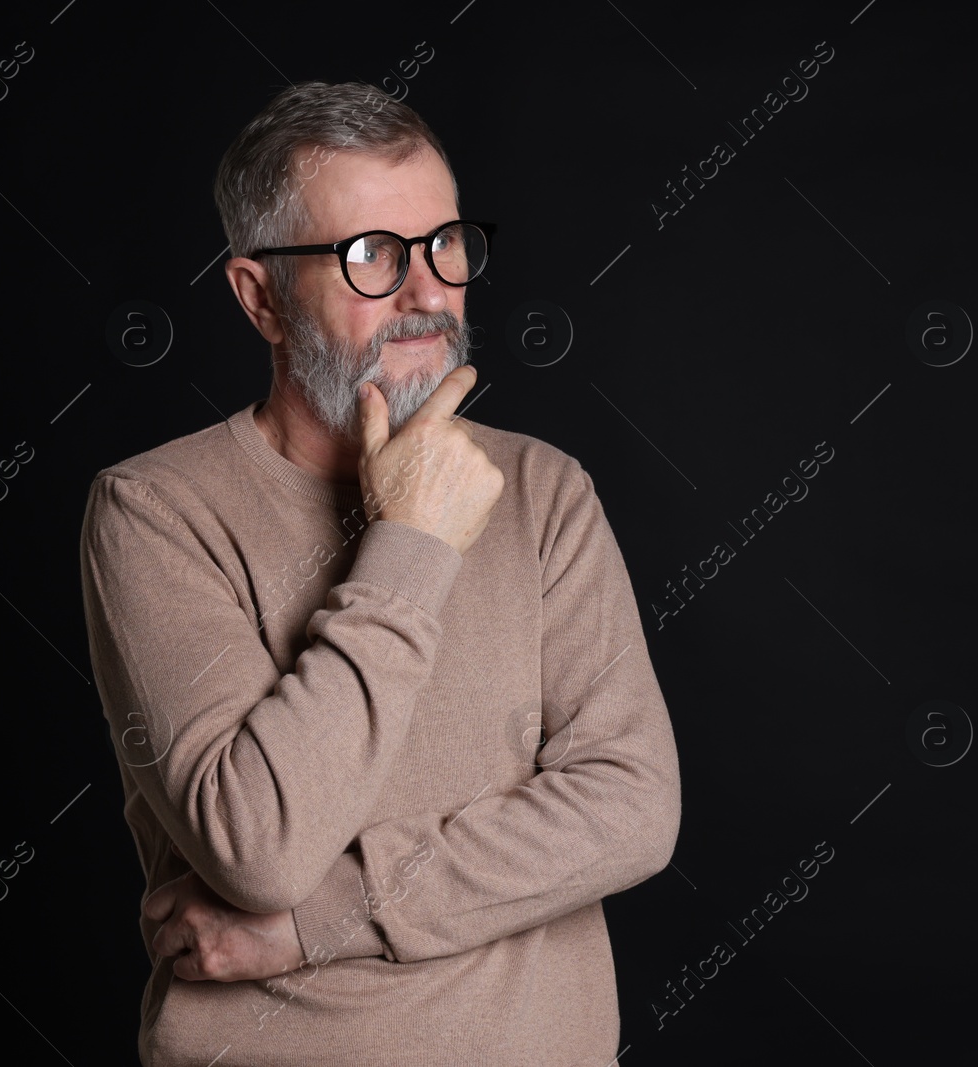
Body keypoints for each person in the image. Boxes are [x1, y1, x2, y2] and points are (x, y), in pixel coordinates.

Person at [78, 81, 681, 1066]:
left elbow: (632, 806)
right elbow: (260, 843)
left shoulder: (540, 488)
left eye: (445, 244)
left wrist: (313, 922)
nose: (426, 294)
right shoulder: (153, 511)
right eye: (371, 257)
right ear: (259, 297)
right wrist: (413, 541)